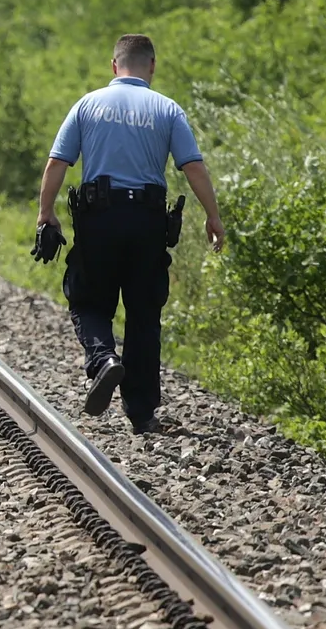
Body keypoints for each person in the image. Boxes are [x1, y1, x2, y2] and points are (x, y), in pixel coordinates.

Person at [36, 34, 224, 435]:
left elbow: (58, 162)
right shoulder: (167, 109)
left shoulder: (87, 105)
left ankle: (103, 359)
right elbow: (193, 167)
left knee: (87, 300)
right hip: (147, 222)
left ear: (113, 65)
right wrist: (213, 216)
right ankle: (141, 413)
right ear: (151, 66)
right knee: (143, 314)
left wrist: (45, 213)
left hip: (99, 218)